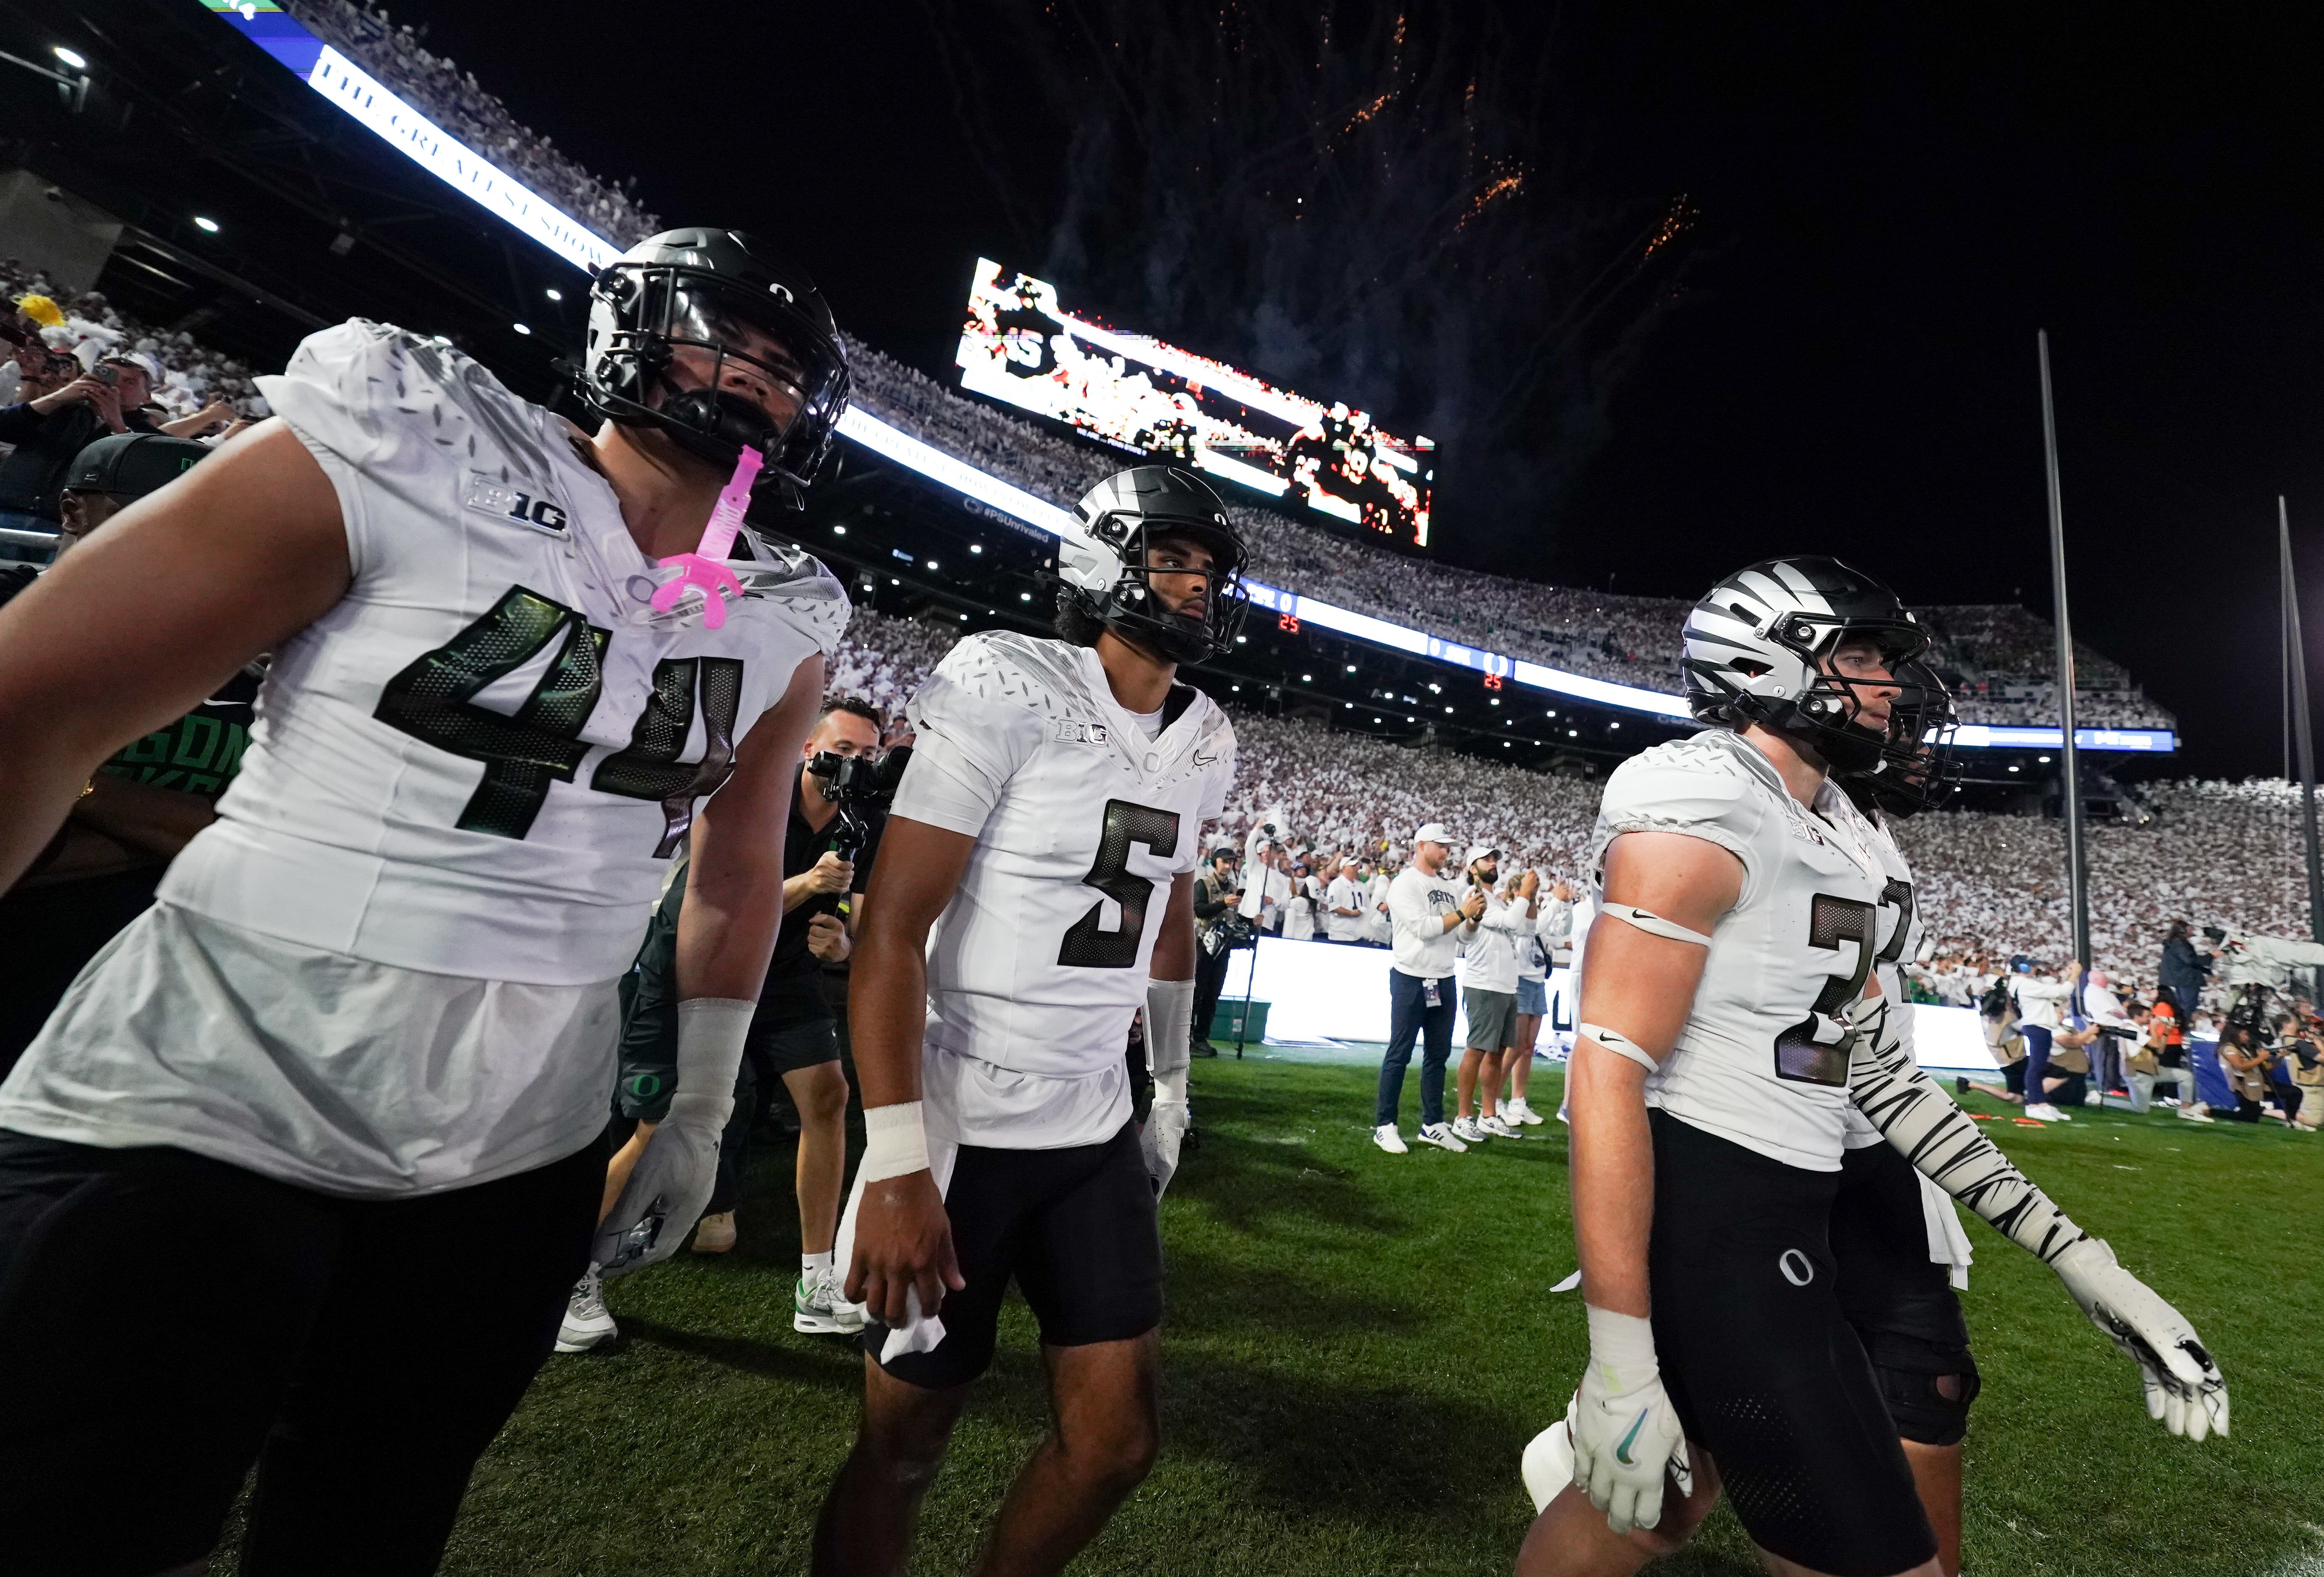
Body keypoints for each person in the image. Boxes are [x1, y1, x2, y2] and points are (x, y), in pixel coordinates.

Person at [0, 227, 855, 1575]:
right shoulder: (418, 438)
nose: (749, 383)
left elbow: (737, 866)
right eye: (720, 344)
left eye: (782, 372)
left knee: (369, 1532)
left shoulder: (786, 615)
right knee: (80, 1526)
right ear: (628, 333)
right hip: (212, 1089)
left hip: (518, 1140)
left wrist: (694, 1104)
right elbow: (35, 698)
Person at [1517, 558, 2225, 1577]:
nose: (1889, 686)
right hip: (1722, 1206)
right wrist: (1620, 1354)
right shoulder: (1696, 797)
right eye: (1860, 656)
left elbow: (1877, 1073)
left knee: (1653, 1507)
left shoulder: (1852, 832)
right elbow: (1608, 1071)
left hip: (1803, 1200)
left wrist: (2081, 1256)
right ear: (1761, 660)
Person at [812, 465, 1242, 1577]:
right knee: (903, 1446)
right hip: (962, 1113)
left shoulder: (1207, 736)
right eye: (1172, 558)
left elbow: (1171, 918)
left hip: (1092, 1117)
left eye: (1208, 568)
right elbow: (895, 929)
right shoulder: (1007, 680)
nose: (1195, 585)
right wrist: (900, 1159)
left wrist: (1173, 1086)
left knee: (1115, 1443)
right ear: (1103, 561)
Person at [559, 697, 889, 1353]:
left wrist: (842, 947)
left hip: (783, 970)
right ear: (806, 748)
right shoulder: (756, 791)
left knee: (829, 1096)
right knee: (658, 1125)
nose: (855, 764)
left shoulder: (865, 821)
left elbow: (858, 919)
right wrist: (803, 884)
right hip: (694, 961)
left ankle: (815, 1281)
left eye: (867, 753)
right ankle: (571, 1275)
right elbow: (712, 892)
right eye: (844, 749)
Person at [0, 432, 242, 1077]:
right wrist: (176, 839)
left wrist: (73, 784)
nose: (190, 545)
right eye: (152, 513)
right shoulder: (10, 616)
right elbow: (225, 841)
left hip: (138, 1032)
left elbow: (259, 850)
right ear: (75, 510)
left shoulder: (254, 664)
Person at [1375, 822, 1486, 1154]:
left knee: (1437, 1057)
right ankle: (1385, 1125)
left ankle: (1433, 1125)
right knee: (1400, 1053)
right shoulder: (1404, 884)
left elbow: (1462, 938)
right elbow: (1424, 929)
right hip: (1410, 976)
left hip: (1443, 977)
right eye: (1440, 846)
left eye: (1448, 846)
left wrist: (1473, 919)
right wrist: (1462, 913)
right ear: (1421, 845)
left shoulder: (1449, 887)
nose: (1446, 852)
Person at [1451, 845, 1537, 1143]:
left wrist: (1532, 898)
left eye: (1494, 859)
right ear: (1472, 869)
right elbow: (1513, 923)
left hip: (1504, 985)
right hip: (1484, 983)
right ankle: (1462, 1117)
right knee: (1476, 1050)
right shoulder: (1475, 898)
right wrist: (1524, 892)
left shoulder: (1497, 901)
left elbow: (1527, 929)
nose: (1492, 862)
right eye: (1486, 859)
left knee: (1498, 1052)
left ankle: (1488, 1115)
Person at [1503, 872, 1571, 1126]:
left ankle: (1517, 1101)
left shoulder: (1533, 909)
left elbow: (1544, 936)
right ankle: (1496, 1100)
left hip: (1537, 981)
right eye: (1532, 887)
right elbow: (1536, 928)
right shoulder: (1512, 910)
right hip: (1519, 981)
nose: (1536, 891)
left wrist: (1565, 939)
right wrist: (1556, 901)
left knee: (1528, 1047)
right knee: (1516, 1045)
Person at [1190, 846, 1243, 1058]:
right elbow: (1198, 909)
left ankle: (1201, 1037)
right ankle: (1188, 1037)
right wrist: (1223, 903)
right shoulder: (1203, 883)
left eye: (1231, 862)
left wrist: (1250, 921)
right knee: (1197, 993)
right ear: (1216, 862)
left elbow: (1233, 917)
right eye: (1224, 861)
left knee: (1212, 994)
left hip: (1222, 946)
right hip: (1203, 944)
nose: (1228, 866)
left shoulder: (1233, 886)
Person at [2158, 919, 2215, 1033]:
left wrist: (2207, 971)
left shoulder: (2173, 943)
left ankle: (2179, 1028)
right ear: (2183, 930)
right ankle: (2181, 1030)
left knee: (2181, 1005)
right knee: (2187, 1006)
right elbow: (2190, 960)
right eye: (2189, 928)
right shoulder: (2179, 943)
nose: (2192, 930)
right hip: (2186, 980)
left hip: (2180, 979)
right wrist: (2210, 956)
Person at [1324, 854, 1366, 942]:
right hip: (1340, 935)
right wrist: (1352, 913)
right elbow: (1334, 907)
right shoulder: (1336, 884)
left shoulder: (1361, 886)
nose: (1357, 868)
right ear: (1344, 868)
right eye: (1353, 866)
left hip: (1358, 934)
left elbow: (1367, 906)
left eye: (1357, 866)